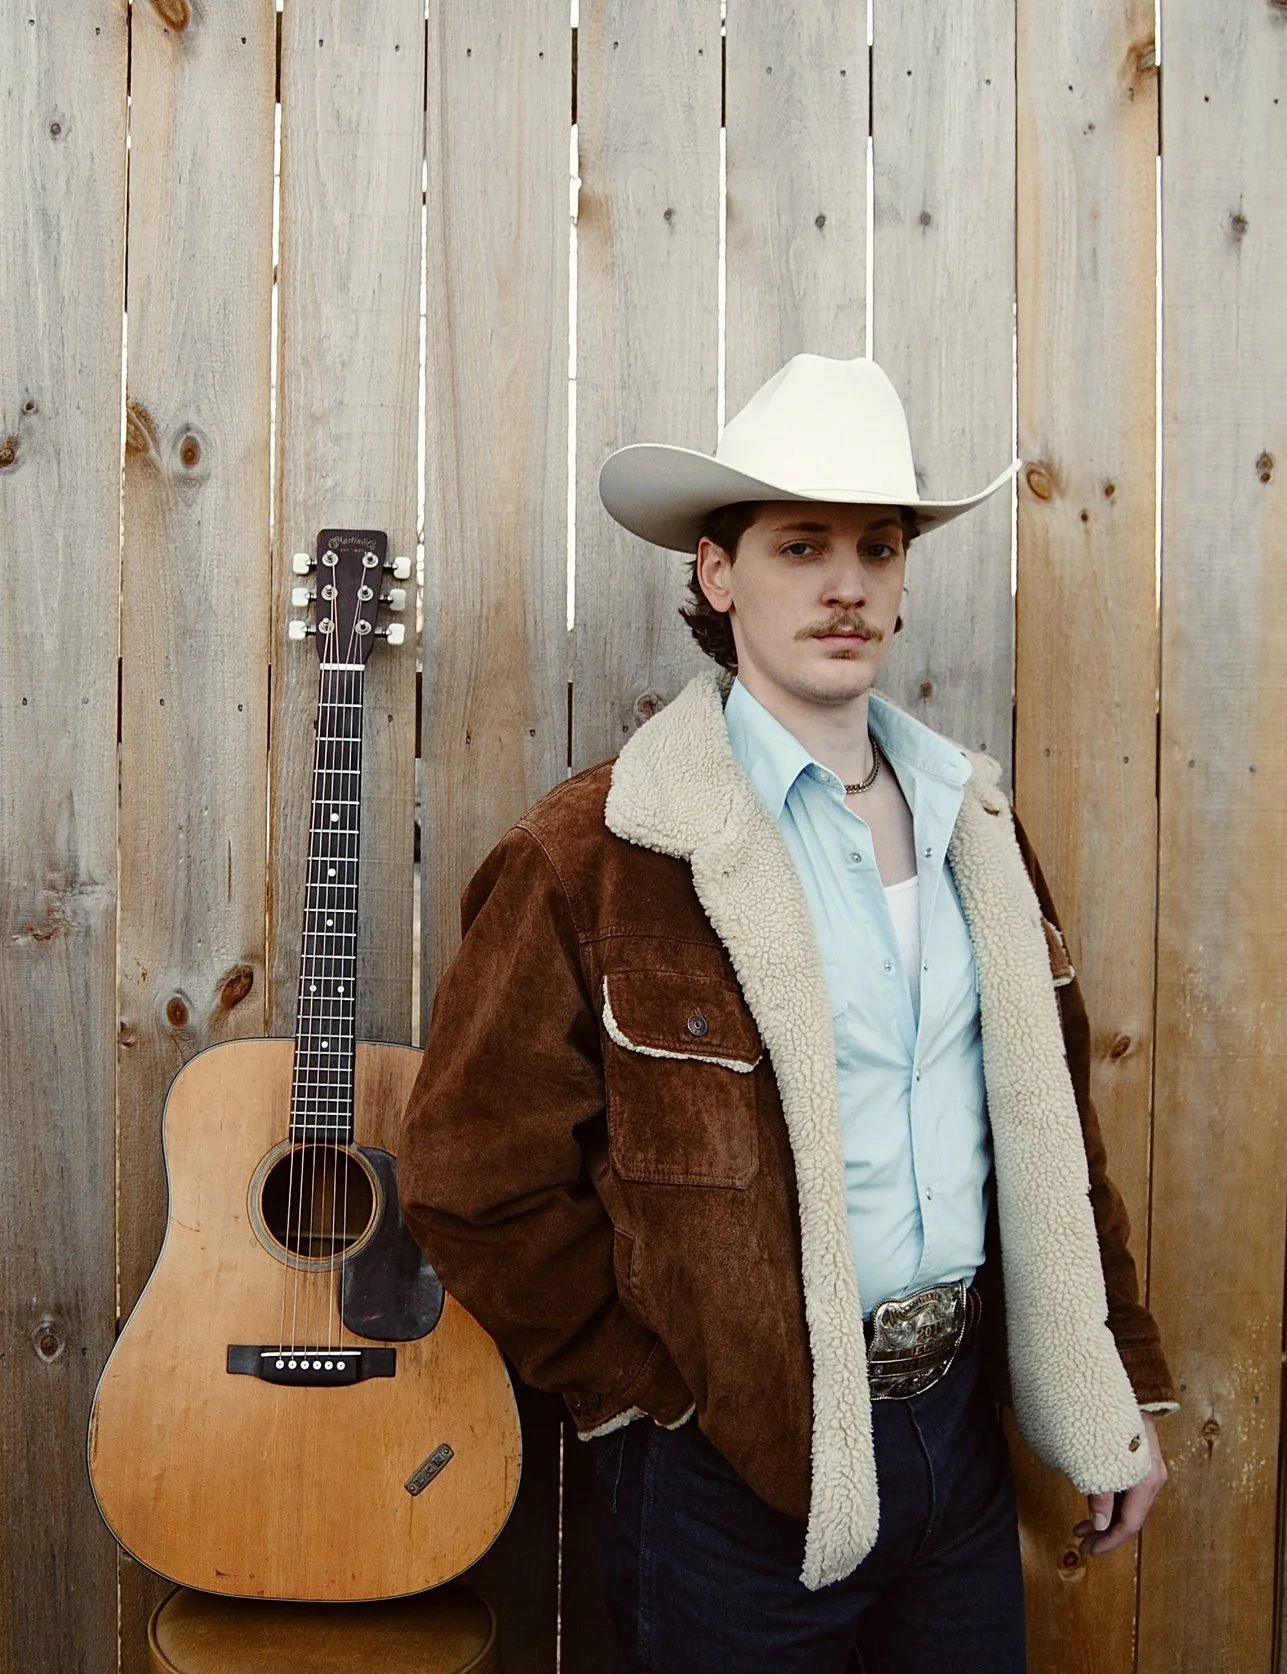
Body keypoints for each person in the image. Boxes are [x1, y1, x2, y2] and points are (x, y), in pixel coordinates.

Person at [396, 353, 1177, 1671]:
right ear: (717, 572)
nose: (845, 582)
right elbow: (472, 1177)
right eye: (802, 544)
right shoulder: (596, 855)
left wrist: (1120, 1381)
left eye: (878, 547)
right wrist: (659, 1397)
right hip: (732, 1471)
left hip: (957, 1443)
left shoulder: (972, 828)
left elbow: (1055, 1145)